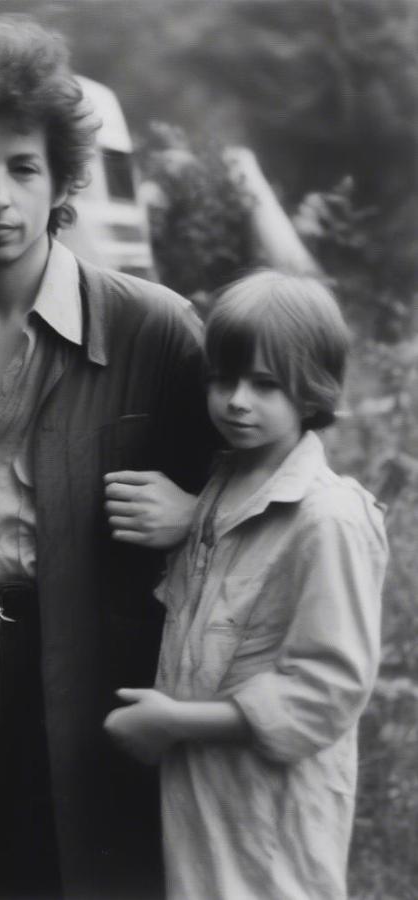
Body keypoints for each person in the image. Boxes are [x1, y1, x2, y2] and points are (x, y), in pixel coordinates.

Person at [0, 18, 215, 899]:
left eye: (22, 168)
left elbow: (272, 474)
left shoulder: (156, 327)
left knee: (69, 868)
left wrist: (197, 512)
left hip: (84, 651)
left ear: (62, 180)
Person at [104, 271, 388, 899]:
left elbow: (327, 690)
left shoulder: (328, 517)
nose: (236, 401)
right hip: (206, 808)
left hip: (272, 820)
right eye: (222, 379)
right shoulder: (219, 488)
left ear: (312, 391)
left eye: (264, 385)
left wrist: (176, 722)